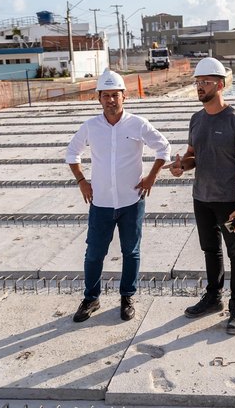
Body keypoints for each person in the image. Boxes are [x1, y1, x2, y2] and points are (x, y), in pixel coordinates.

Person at [67, 68, 170, 323]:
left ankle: (127, 296)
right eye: (106, 95)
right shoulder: (91, 127)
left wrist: (151, 177)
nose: (111, 100)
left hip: (131, 201)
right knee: (94, 253)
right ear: (98, 97)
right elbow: (72, 154)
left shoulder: (137, 124)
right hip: (100, 202)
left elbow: (163, 147)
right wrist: (82, 181)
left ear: (124, 96)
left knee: (130, 252)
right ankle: (91, 298)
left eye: (115, 95)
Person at [167, 57, 235, 335]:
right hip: (201, 198)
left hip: (229, 200)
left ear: (220, 85)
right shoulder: (196, 119)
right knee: (210, 250)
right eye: (197, 82)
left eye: (205, 82)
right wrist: (183, 165)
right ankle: (213, 297)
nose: (199, 87)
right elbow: (194, 156)